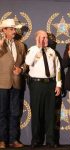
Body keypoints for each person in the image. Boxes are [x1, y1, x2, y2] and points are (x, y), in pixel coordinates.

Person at [25, 30, 61, 148]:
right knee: (36, 113)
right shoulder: (32, 50)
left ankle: (51, 140)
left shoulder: (52, 52)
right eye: (42, 38)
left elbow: (58, 69)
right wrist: (38, 48)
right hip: (37, 85)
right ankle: (36, 140)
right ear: (37, 38)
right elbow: (28, 62)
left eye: (46, 38)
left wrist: (58, 85)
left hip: (50, 85)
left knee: (50, 114)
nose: (45, 40)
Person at [0, 18, 27, 148]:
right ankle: (2, 140)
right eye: (11, 29)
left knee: (15, 112)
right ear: (3, 30)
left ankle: (13, 139)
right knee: (2, 112)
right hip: (2, 84)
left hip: (16, 83)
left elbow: (26, 63)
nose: (14, 31)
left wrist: (21, 69)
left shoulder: (21, 45)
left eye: (14, 29)